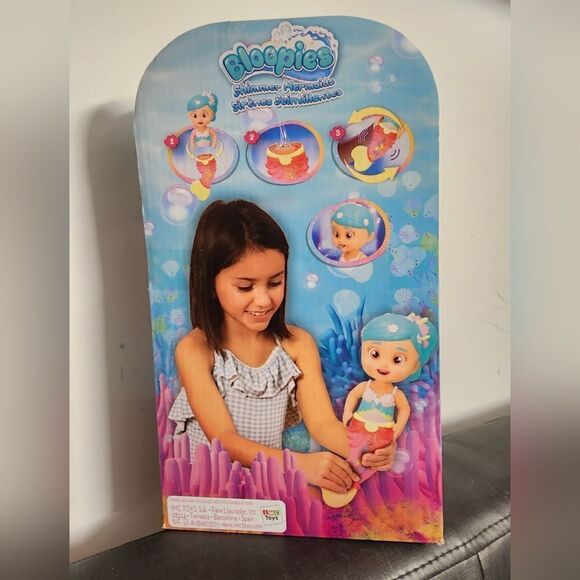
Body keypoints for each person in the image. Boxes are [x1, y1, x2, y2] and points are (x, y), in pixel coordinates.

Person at [169, 199, 396, 494]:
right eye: (245, 287)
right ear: (209, 283)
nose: (264, 300)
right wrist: (299, 464)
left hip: (266, 487)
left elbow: (323, 424)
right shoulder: (195, 350)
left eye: (275, 282)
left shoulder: (297, 344)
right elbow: (224, 439)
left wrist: (368, 450)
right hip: (210, 491)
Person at [323, 312, 438, 507]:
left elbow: (404, 410)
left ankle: (354, 483)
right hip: (358, 426)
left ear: (415, 366)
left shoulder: (396, 394)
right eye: (375, 354)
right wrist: (347, 414)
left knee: (371, 461)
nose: (384, 364)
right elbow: (353, 396)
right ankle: (343, 478)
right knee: (351, 454)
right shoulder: (365, 386)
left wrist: (397, 429)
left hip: (383, 433)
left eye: (397, 359)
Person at [185, 91, 220, 201]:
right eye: (195, 115)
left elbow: (214, 136)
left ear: (212, 115)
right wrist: (192, 147)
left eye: (204, 115)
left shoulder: (209, 130)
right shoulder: (195, 131)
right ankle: (203, 188)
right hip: (200, 155)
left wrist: (213, 145)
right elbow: (191, 139)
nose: (199, 119)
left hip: (209, 154)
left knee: (211, 172)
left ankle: (202, 186)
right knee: (207, 172)